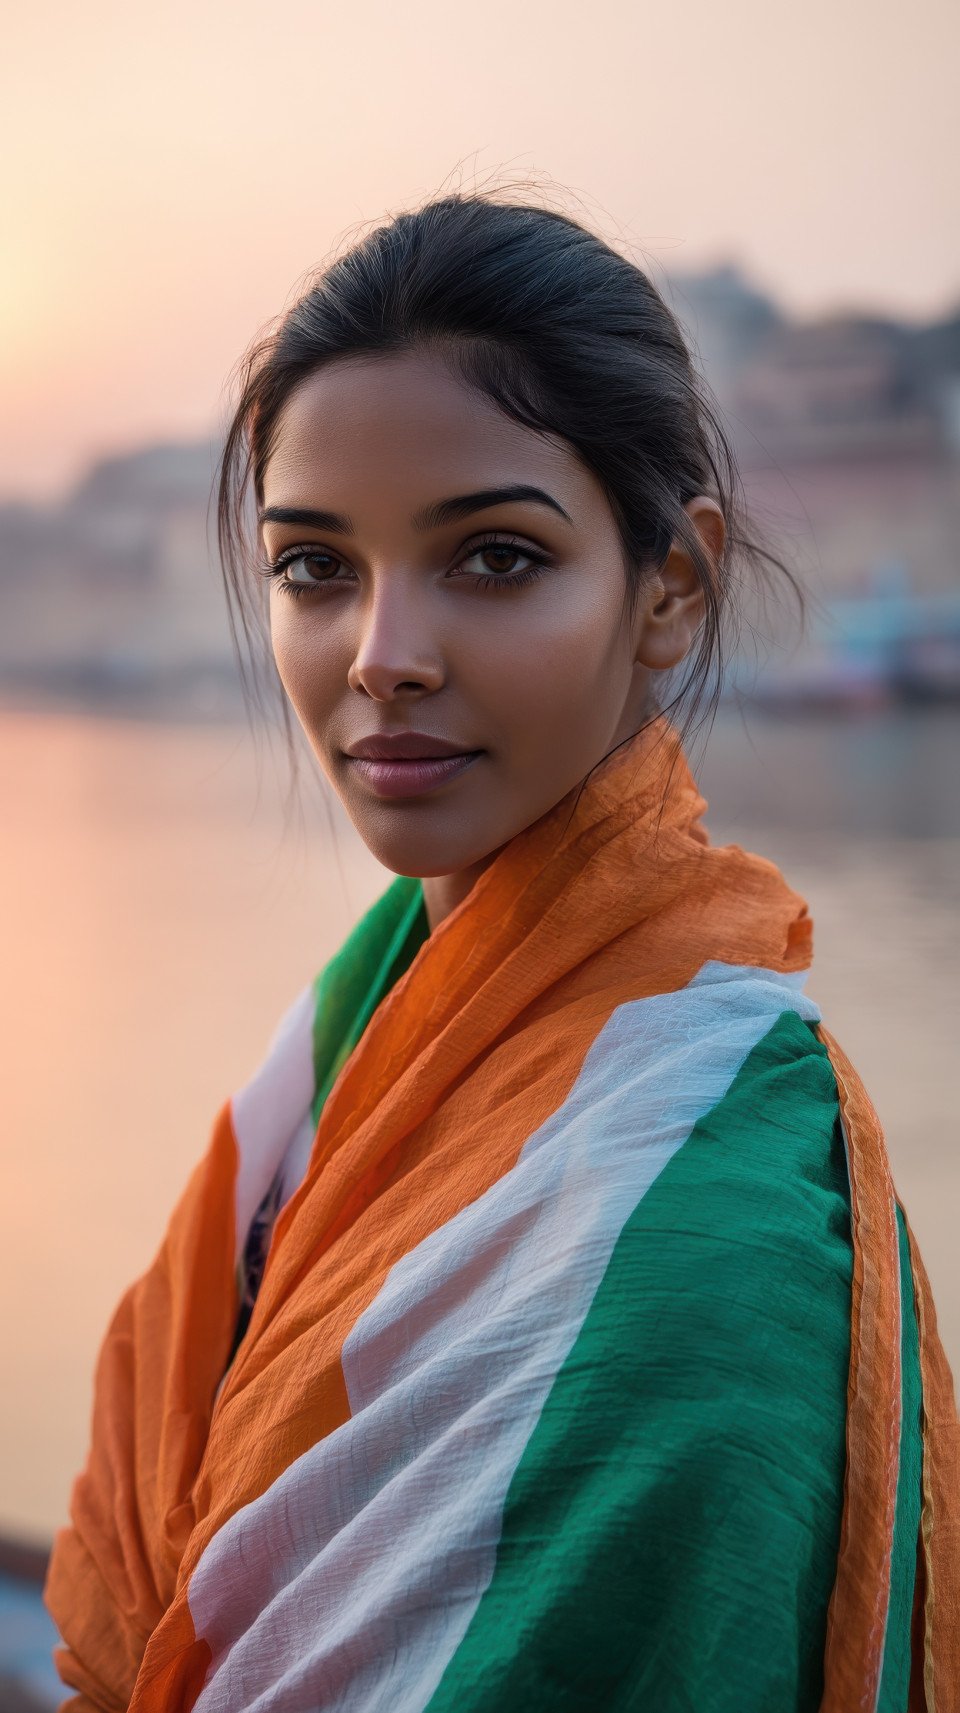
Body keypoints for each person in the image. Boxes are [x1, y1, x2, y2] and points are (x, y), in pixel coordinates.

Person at [45, 193, 959, 1712]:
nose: (381, 651)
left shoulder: (713, 1221)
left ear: (671, 586)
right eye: (316, 568)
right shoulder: (353, 1046)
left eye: (493, 558)